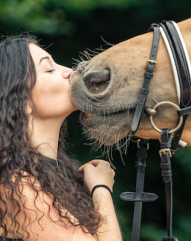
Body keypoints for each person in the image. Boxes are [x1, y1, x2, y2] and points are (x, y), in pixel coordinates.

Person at [0, 35, 122, 241]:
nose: (70, 72)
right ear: (21, 101)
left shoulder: (58, 175)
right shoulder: (15, 186)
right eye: (49, 69)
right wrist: (101, 189)